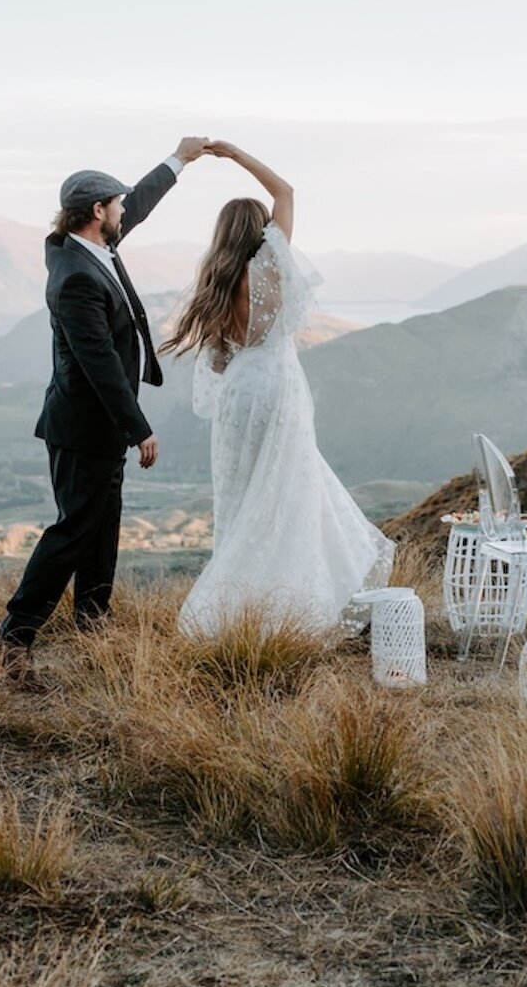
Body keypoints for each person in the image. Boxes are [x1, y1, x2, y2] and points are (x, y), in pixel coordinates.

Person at [0, 135, 209, 689]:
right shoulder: (77, 278)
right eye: (116, 206)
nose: (123, 211)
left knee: (100, 528)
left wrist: (180, 158)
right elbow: (98, 363)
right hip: (84, 427)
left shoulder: (90, 247)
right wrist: (140, 428)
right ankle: (12, 640)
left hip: (96, 429)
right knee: (73, 532)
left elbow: (138, 203)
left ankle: (94, 628)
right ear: (96, 212)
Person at [161, 140, 393, 633]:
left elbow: (221, 357)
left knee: (241, 496)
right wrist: (235, 155)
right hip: (277, 388)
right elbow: (284, 190)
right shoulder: (271, 262)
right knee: (287, 491)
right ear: (260, 228)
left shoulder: (218, 277)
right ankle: (290, 606)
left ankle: (236, 611)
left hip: (238, 392)